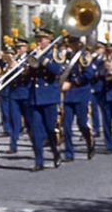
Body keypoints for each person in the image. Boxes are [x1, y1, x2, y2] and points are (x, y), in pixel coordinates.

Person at [25, 27, 65, 172]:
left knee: (50, 129)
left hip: (48, 96)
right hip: (35, 97)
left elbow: (56, 70)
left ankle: (55, 151)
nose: (39, 42)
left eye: (42, 39)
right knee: (35, 131)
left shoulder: (55, 53)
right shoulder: (32, 54)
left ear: (49, 40)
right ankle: (39, 160)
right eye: (37, 39)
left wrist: (42, 58)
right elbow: (28, 75)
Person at [59, 36, 96, 161]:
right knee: (66, 125)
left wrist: (72, 83)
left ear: (79, 43)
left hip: (81, 94)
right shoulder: (68, 56)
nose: (70, 45)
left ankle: (90, 143)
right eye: (69, 43)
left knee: (82, 124)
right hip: (69, 95)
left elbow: (88, 75)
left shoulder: (84, 56)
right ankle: (69, 153)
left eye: (72, 43)